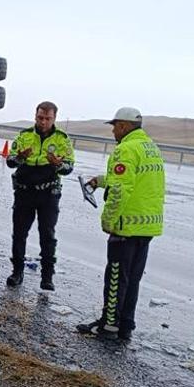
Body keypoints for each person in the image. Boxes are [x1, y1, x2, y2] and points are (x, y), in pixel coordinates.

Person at [76, 107, 165, 341]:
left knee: (115, 277)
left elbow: (120, 189)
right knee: (133, 278)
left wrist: (108, 221)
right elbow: (131, 179)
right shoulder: (150, 148)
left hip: (126, 225)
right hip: (146, 226)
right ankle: (126, 325)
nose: (113, 130)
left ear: (125, 126)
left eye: (115, 125)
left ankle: (109, 326)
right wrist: (99, 181)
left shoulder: (125, 149)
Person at [5, 101, 74, 291]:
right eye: (40, 118)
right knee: (19, 234)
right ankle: (17, 272)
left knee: (47, 235)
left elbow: (69, 167)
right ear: (35, 116)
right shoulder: (25, 135)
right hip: (24, 192)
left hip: (48, 193)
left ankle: (47, 277)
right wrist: (19, 157)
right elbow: (10, 161)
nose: (43, 122)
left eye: (47, 119)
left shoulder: (62, 139)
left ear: (54, 119)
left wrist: (58, 164)